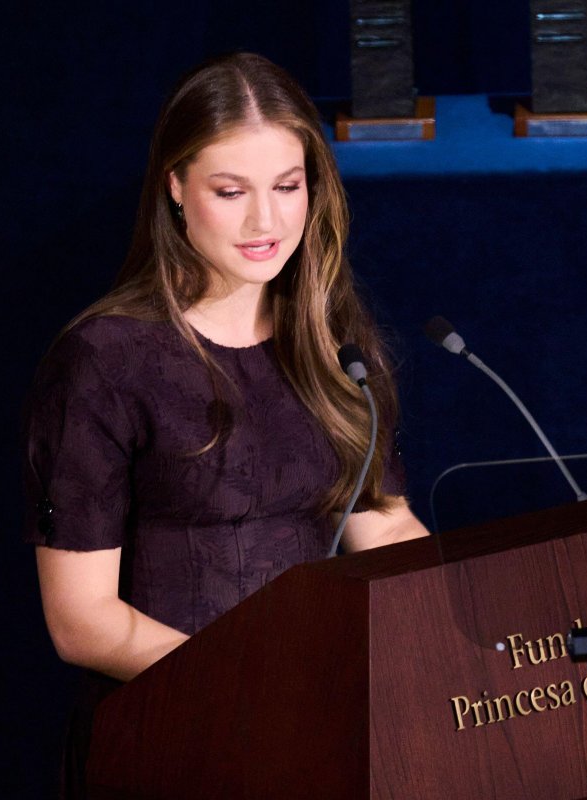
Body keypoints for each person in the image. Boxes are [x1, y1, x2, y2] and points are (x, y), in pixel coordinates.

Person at [21, 52, 428, 796]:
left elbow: (385, 530)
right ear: (175, 188)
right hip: (174, 739)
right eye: (230, 190)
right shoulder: (103, 360)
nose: (265, 221)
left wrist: (467, 623)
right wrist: (258, 693)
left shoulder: (334, 341)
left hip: (319, 733)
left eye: (287, 186)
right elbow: (82, 620)